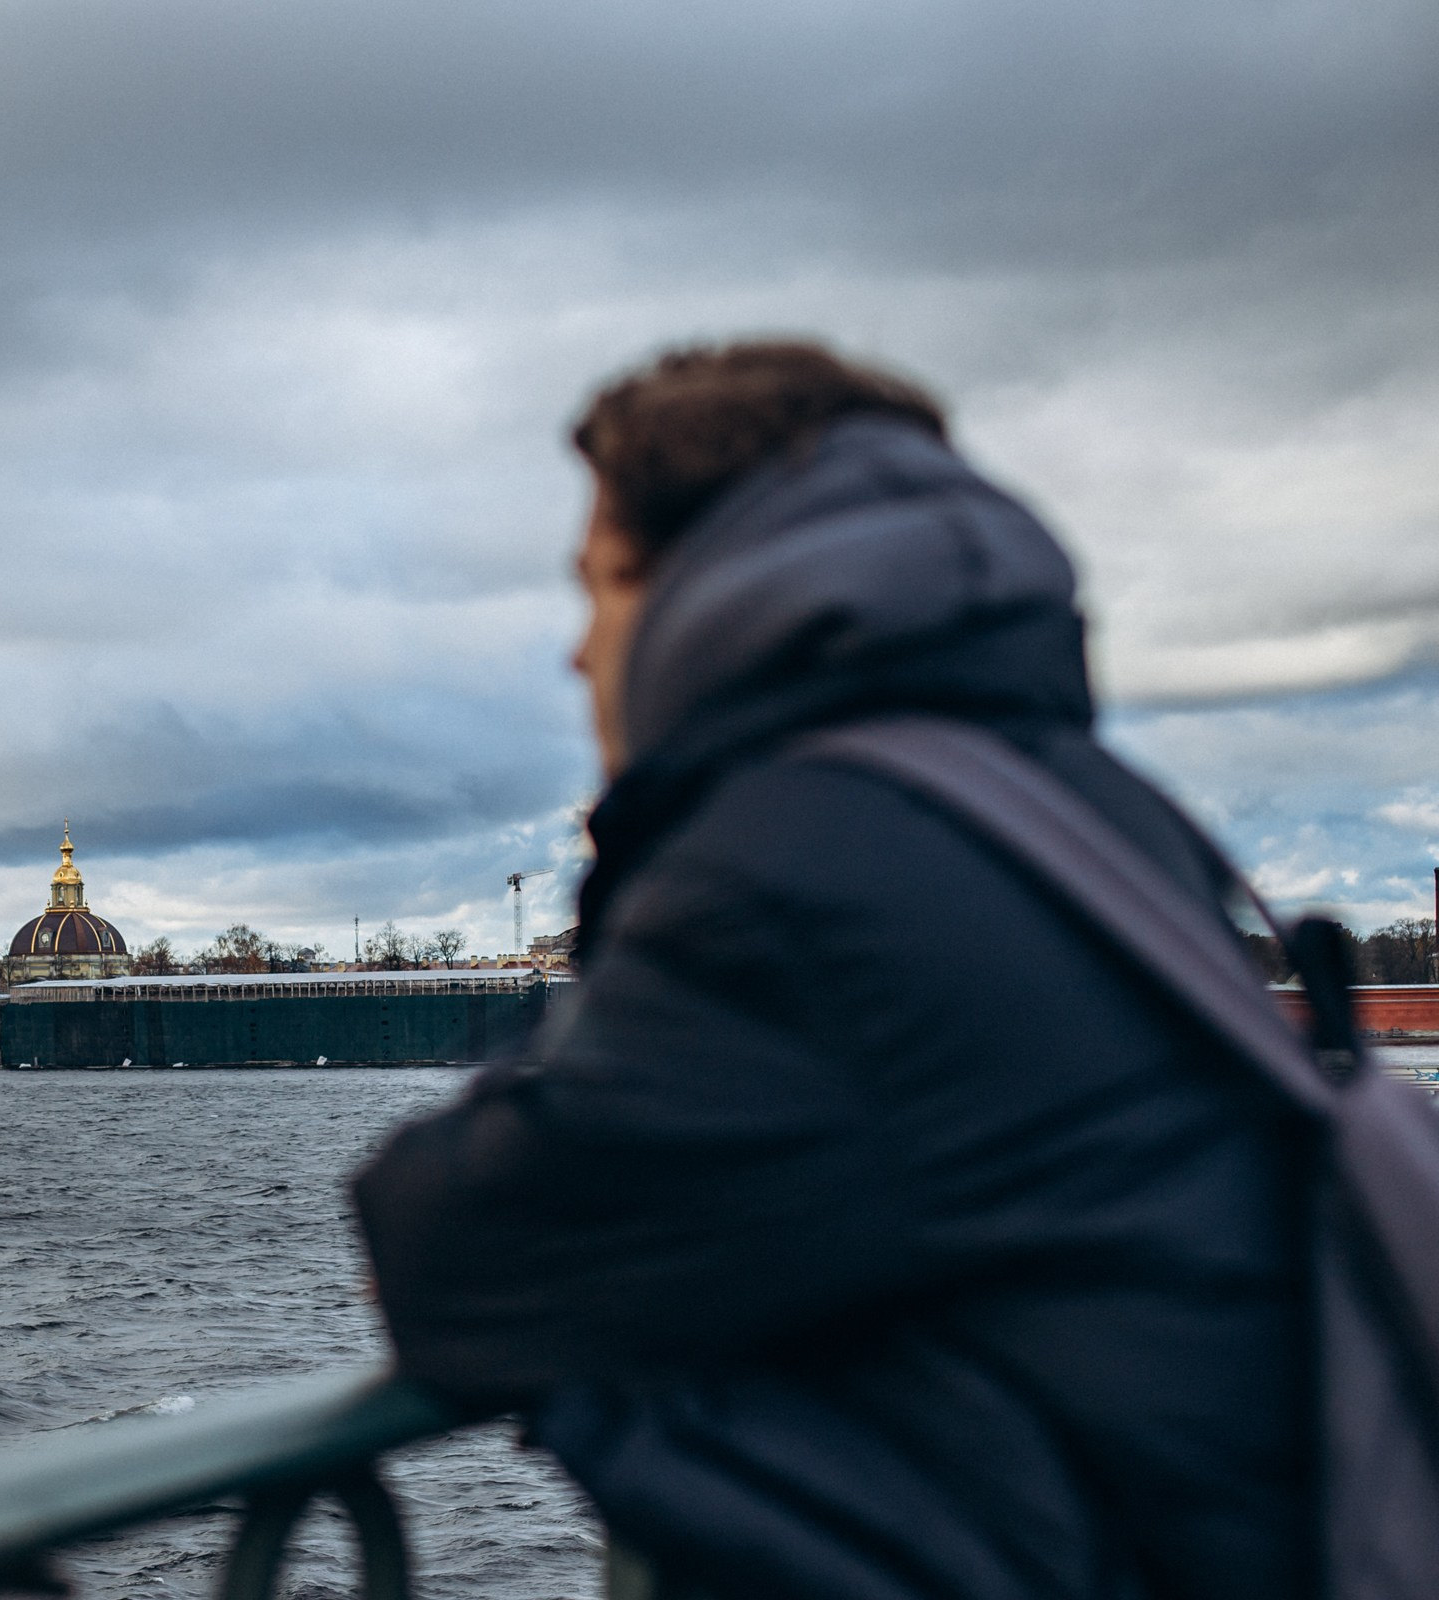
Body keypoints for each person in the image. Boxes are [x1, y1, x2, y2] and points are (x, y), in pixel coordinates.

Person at [352, 342, 1308, 1600]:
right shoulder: (1088, 811)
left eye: (596, 590)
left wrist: (643, 854)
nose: (578, 656)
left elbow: (455, 1252)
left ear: (694, 588)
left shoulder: (796, 877)